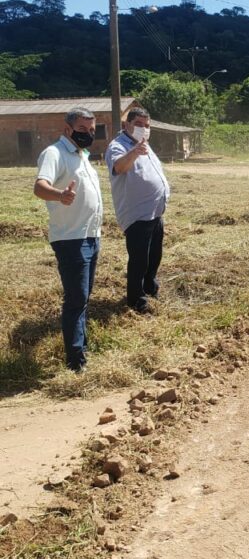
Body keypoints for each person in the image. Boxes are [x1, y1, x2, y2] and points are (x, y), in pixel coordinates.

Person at [34, 107, 103, 372]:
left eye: (92, 129)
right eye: (82, 129)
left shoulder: (82, 155)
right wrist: (60, 195)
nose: (88, 134)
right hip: (71, 238)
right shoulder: (55, 153)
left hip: (90, 236)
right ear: (67, 129)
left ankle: (81, 347)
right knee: (76, 298)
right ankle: (75, 361)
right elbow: (40, 187)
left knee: (83, 297)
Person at [105, 107, 170, 314]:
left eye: (147, 125)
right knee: (139, 260)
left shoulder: (145, 145)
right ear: (127, 125)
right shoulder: (118, 146)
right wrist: (134, 152)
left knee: (154, 257)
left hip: (155, 212)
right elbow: (119, 168)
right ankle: (136, 301)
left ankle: (150, 289)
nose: (143, 129)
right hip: (137, 215)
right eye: (139, 124)